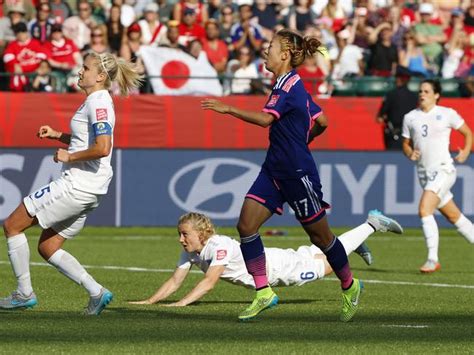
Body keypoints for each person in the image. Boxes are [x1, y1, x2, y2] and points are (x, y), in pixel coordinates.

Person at [201, 29, 391, 322]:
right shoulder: (290, 85)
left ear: (285, 55)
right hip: (274, 169)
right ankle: (263, 292)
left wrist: (228, 109)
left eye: (270, 47)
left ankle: (350, 284)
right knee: (246, 225)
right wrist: (302, 138)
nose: (265, 51)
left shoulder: (287, 87)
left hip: (297, 173)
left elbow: (266, 119)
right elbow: (322, 121)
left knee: (321, 238)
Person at [0, 52, 142, 314]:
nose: (80, 71)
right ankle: (97, 292)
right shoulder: (94, 101)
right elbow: (85, 141)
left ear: (100, 76)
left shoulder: (98, 104)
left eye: (85, 68)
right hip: (90, 189)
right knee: (48, 246)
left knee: (12, 226)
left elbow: (102, 147)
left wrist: (69, 156)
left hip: (77, 185)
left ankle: (23, 293)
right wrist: (58, 136)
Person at [129, 211, 403, 307]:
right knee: (328, 258)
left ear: (201, 232)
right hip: (272, 261)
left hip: (277, 269)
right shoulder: (191, 250)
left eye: (184, 234)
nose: (180, 239)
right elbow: (176, 279)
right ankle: (353, 242)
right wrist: (150, 301)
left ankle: (371, 224)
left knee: (326, 267)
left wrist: (181, 304)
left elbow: (209, 282)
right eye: (179, 234)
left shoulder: (219, 246)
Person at [401, 79, 474, 273]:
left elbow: (468, 133)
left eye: (426, 91)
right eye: (420, 91)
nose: (422, 94)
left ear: (436, 95)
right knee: (454, 216)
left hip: (443, 170)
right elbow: (405, 144)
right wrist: (409, 153)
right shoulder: (410, 117)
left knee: (425, 210)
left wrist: (466, 151)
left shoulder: (447, 114)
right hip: (424, 174)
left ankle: (432, 259)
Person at [376, 66, 418, 150]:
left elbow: (379, 117)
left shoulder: (391, 95)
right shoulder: (415, 97)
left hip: (394, 137)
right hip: (411, 137)